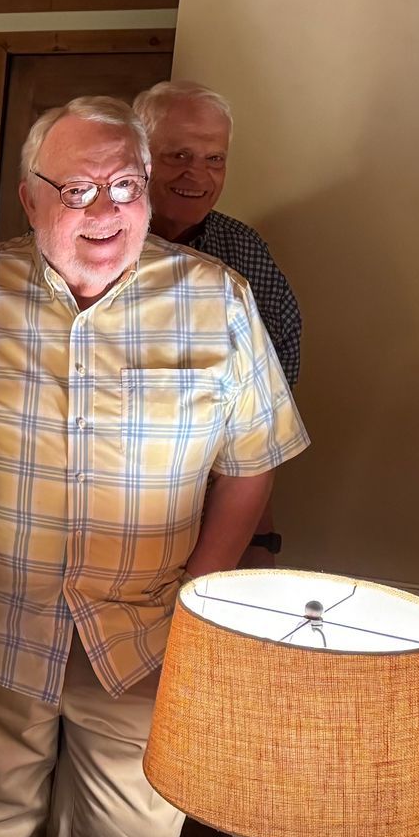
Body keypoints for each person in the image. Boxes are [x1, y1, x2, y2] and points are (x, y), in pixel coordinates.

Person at [0, 96, 307, 837]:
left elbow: (251, 466)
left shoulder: (220, 298)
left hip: (142, 639)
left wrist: (194, 606)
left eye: (127, 185)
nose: (106, 210)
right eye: (78, 190)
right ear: (31, 199)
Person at [135, 79, 303, 567]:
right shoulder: (91, 239)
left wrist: (256, 539)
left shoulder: (243, 251)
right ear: (137, 153)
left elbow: (271, 402)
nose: (198, 175)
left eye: (214, 159)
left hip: (218, 498)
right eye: (178, 155)